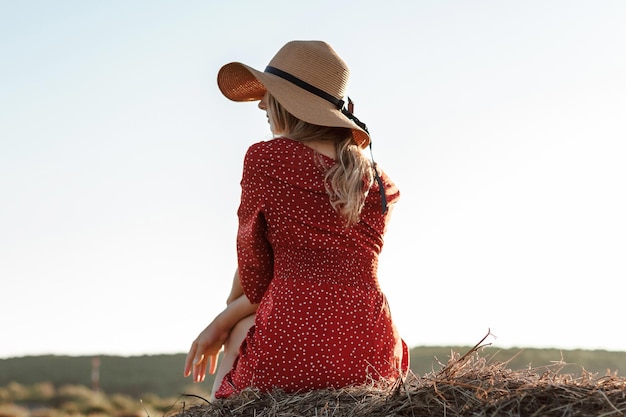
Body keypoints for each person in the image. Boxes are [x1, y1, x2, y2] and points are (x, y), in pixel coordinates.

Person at [183, 40, 407, 400]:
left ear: (289, 103)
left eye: (269, 94)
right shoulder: (382, 183)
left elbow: (255, 275)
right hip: (374, 350)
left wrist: (221, 322)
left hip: (293, 340)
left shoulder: (266, 159)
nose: (260, 104)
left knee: (241, 327)